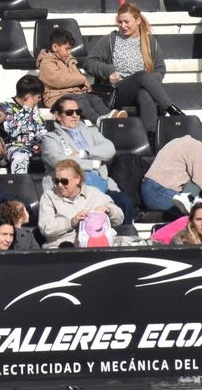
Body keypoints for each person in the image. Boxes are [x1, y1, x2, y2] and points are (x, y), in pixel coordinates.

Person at [83, 3, 184, 138]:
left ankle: (150, 137)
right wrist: (108, 71)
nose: (122, 26)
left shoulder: (150, 41)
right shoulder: (111, 40)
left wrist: (151, 81)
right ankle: (169, 107)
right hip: (118, 90)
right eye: (120, 22)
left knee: (144, 94)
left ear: (137, 21)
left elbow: (160, 69)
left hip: (141, 89)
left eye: (126, 22)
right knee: (141, 76)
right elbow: (89, 62)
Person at [41, 94, 134, 222]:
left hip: (101, 185)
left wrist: (83, 153)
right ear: (57, 115)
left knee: (124, 201)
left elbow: (109, 149)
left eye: (78, 112)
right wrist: (94, 164)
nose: (75, 116)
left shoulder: (90, 130)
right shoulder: (50, 139)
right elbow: (61, 162)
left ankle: (127, 237)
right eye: (69, 112)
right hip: (72, 190)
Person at [37, 159, 122, 248]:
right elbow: (45, 227)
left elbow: (119, 218)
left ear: (77, 179)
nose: (60, 185)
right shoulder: (49, 196)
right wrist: (71, 222)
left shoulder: (94, 193)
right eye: (56, 181)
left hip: (94, 245)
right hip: (61, 246)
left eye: (64, 181)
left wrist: (108, 211)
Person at [36, 28, 111, 121]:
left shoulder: (69, 60)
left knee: (95, 99)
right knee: (81, 102)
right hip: (56, 97)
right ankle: (98, 120)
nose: (69, 52)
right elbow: (59, 80)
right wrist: (82, 79)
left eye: (70, 49)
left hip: (75, 94)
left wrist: (83, 86)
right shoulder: (46, 62)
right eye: (66, 49)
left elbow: (75, 77)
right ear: (55, 47)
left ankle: (110, 117)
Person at [142, 134, 202, 216]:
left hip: (154, 188)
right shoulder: (197, 147)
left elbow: (196, 183)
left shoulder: (185, 143)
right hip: (156, 191)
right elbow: (201, 178)